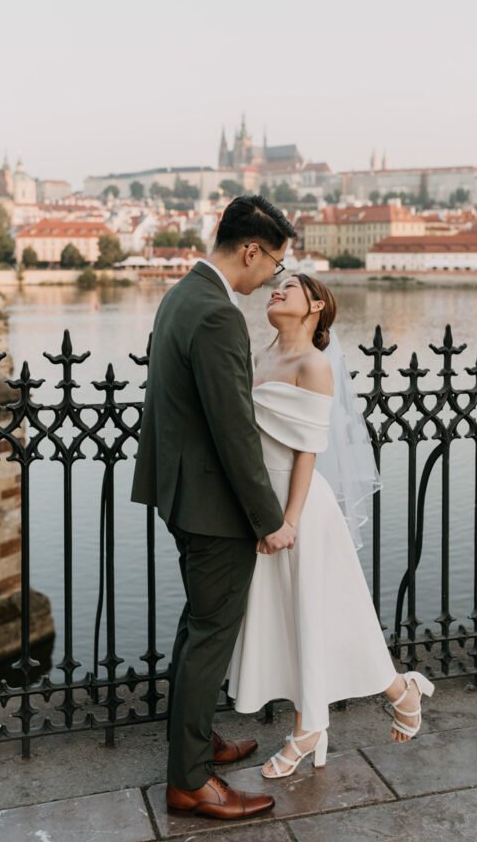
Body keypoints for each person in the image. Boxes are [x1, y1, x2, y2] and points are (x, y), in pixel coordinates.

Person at [226, 273, 435, 779]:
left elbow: (307, 453)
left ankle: (308, 729)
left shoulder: (314, 365)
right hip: (261, 506)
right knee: (310, 620)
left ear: (315, 305)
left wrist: (289, 520)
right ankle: (400, 692)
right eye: (275, 286)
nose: (275, 291)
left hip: (299, 509)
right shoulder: (260, 355)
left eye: (288, 288)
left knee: (315, 617)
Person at [131, 195, 297, 820]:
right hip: (211, 505)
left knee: (196, 626)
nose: (273, 278)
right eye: (274, 264)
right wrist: (270, 519)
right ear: (251, 249)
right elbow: (235, 431)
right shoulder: (218, 316)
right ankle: (190, 781)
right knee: (208, 638)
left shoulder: (183, 295)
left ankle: (195, 743)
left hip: (180, 491)